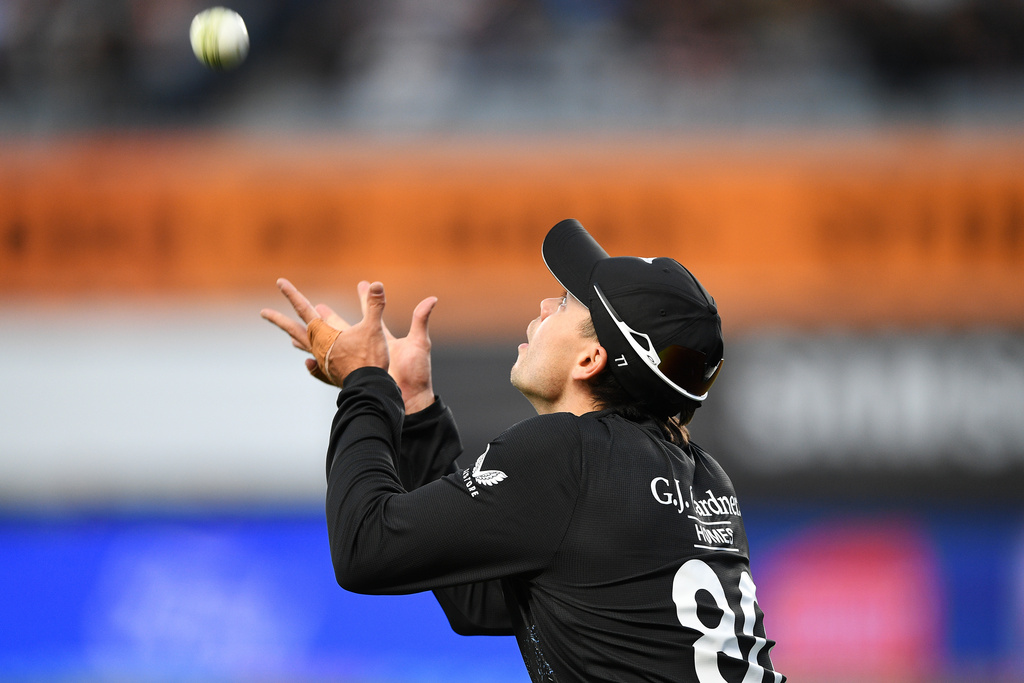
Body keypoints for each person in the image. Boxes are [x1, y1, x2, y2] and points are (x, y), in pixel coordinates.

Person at [261, 218, 784, 683]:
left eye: (562, 303)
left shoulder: (567, 451)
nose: (542, 306)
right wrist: (415, 409)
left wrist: (366, 384)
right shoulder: (701, 473)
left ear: (591, 358)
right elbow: (479, 601)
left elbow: (365, 549)